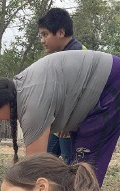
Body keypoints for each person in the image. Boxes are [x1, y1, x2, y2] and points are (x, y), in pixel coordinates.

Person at [0, 50, 120, 186]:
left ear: (6, 101)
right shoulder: (21, 89)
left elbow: (35, 169)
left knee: (86, 171)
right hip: (103, 83)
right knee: (77, 169)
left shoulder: (32, 105)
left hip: (113, 83)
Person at [38, 8, 86, 164]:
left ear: (60, 32)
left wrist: (68, 119)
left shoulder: (76, 55)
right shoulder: (64, 55)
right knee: (47, 160)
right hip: (61, 128)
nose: (42, 40)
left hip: (70, 127)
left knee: (70, 165)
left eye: (45, 34)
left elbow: (78, 91)